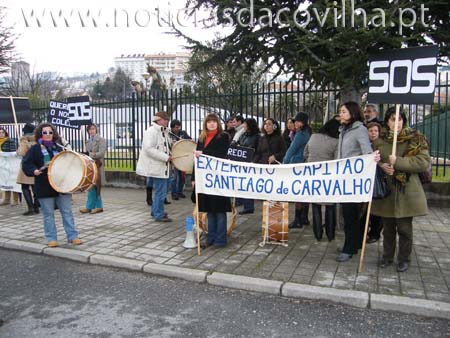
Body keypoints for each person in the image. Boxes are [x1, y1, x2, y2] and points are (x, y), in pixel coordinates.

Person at [371, 108, 431, 272]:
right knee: (388, 229)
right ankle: (387, 256)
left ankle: (404, 258)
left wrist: (398, 162)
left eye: (399, 119)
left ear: (403, 120)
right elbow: (372, 160)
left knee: (405, 229)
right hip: (387, 191)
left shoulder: (416, 139)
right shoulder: (380, 140)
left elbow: (422, 162)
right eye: (392, 119)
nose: (396, 123)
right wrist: (381, 164)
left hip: (407, 190)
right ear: (387, 122)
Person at [22, 123, 81, 247]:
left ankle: (72, 236)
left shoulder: (59, 148)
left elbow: (67, 163)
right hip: (44, 186)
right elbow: (26, 163)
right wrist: (34, 171)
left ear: (53, 134)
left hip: (61, 185)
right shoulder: (35, 149)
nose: (48, 135)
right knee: (48, 214)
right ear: (40, 134)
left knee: (67, 211)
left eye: (50, 132)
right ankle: (51, 238)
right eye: (45, 132)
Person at [336, 102, 378, 262]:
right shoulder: (343, 130)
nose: (341, 114)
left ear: (353, 113)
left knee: (351, 215)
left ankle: (349, 248)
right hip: (343, 177)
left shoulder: (359, 129)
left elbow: (366, 151)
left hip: (354, 180)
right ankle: (351, 245)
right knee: (347, 215)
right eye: (340, 111)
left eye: (344, 111)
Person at [192, 113, 232, 248]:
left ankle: (220, 240)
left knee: (220, 209)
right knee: (209, 209)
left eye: (214, 121)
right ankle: (211, 238)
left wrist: (203, 153)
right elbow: (196, 161)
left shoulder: (224, 136)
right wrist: (194, 178)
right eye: (209, 122)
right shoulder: (202, 138)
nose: (212, 124)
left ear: (218, 123)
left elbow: (220, 153)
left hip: (219, 177)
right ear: (205, 124)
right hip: (205, 178)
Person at [304, 117, 340, 241]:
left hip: (312, 175)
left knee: (315, 205)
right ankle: (330, 234)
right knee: (330, 206)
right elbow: (337, 161)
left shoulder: (313, 137)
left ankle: (317, 234)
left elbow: (305, 154)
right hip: (328, 176)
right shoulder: (336, 142)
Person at [136, 111, 173, 222]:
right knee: (160, 192)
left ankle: (156, 210)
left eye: (167, 119)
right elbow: (148, 149)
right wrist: (166, 157)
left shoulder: (164, 132)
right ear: (158, 120)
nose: (167, 121)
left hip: (162, 166)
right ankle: (158, 214)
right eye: (165, 119)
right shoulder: (151, 131)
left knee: (162, 191)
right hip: (157, 167)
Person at [283, 112, 312, 229]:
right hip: (305, 164)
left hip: (297, 165)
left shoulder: (300, 135)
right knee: (304, 192)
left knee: (297, 194)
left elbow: (292, 149)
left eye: (296, 121)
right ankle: (304, 218)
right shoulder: (309, 132)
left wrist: (285, 162)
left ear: (302, 122)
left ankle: (297, 220)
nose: (294, 123)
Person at [363, 122, 384, 243]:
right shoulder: (365, 145)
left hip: (378, 181)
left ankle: (375, 234)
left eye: (376, 131)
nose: (373, 133)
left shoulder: (382, 145)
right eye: (371, 131)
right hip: (367, 180)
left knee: (377, 210)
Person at [80, 123, 106, 214]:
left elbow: (101, 153)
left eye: (93, 129)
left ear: (96, 130)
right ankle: (89, 206)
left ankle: (99, 206)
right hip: (90, 166)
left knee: (97, 186)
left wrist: (90, 154)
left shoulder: (101, 140)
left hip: (98, 165)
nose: (91, 131)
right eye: (90, 129)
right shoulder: (87, 141)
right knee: (91, 186)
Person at [236, 117, 260, 214]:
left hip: (250, 162)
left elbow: (257, 150)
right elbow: (239, 143)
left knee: (247, 184)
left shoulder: (257, 136)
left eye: (245, 124)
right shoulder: (244, 134)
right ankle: (241, 201)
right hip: (242, 162)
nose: (244, 126)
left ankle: (249, 206)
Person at [16, 123, 40, 215]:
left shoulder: (24, 141)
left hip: (27, 166)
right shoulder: (38, 140)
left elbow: (21, 153)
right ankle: (36, 206)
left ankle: (31, 208)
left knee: (25, 187)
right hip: (36, 166)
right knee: (35, 188)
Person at [169, 119, 191, 200]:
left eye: (179, 127)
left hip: (182, 158)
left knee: (182, 177)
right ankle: (174, 193)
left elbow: (189, 140)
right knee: (174, 177)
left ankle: (180, 192)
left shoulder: (183, 133)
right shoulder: (168, 134)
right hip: (174, 158)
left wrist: (184, 141)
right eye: (176, 127)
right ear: (172, 127)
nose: (178, 129)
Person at [0, 127, 19, 206]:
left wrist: (3, 154)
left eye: (2, 132)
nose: (1, 134)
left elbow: (14, 153)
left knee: (13, 182)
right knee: (5, 181)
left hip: (10, 164)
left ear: (5, 133)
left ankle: (15, 200)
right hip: (2, 165)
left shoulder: (9, 141)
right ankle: (6, 199)